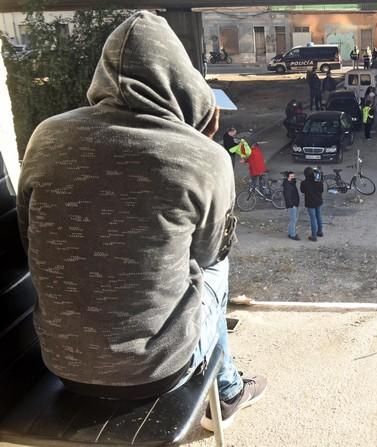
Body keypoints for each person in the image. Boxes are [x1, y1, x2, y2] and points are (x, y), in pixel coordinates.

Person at [15, 11, 266, 433]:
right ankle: (225, 391)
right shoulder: (204, 157)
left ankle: (225, 387)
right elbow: (205, 253)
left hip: (60, 361)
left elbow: (29, 237)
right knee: (216, 269)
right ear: (182, 79)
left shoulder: (47, 136)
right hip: (159, 371)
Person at [300, 167, 324, 241]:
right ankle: (320, 231)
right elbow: (322, 190)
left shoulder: (304, 183)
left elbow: (302, 191)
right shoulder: (318, 181)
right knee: (318, 216)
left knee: (313, 218)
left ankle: (314, 236)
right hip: (318, 201)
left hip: (310, 202)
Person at [283, 171, 300, 241]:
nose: (293, 177)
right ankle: (293, 235)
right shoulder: (288, 185)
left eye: (293, 176)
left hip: (294, 204)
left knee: (293, 219)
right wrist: (291, 205)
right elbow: (287, 196)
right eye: (291, 176)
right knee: (293, 220)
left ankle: (290, 233)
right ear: (288, 177)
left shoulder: (291, 183)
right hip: (292, 205)